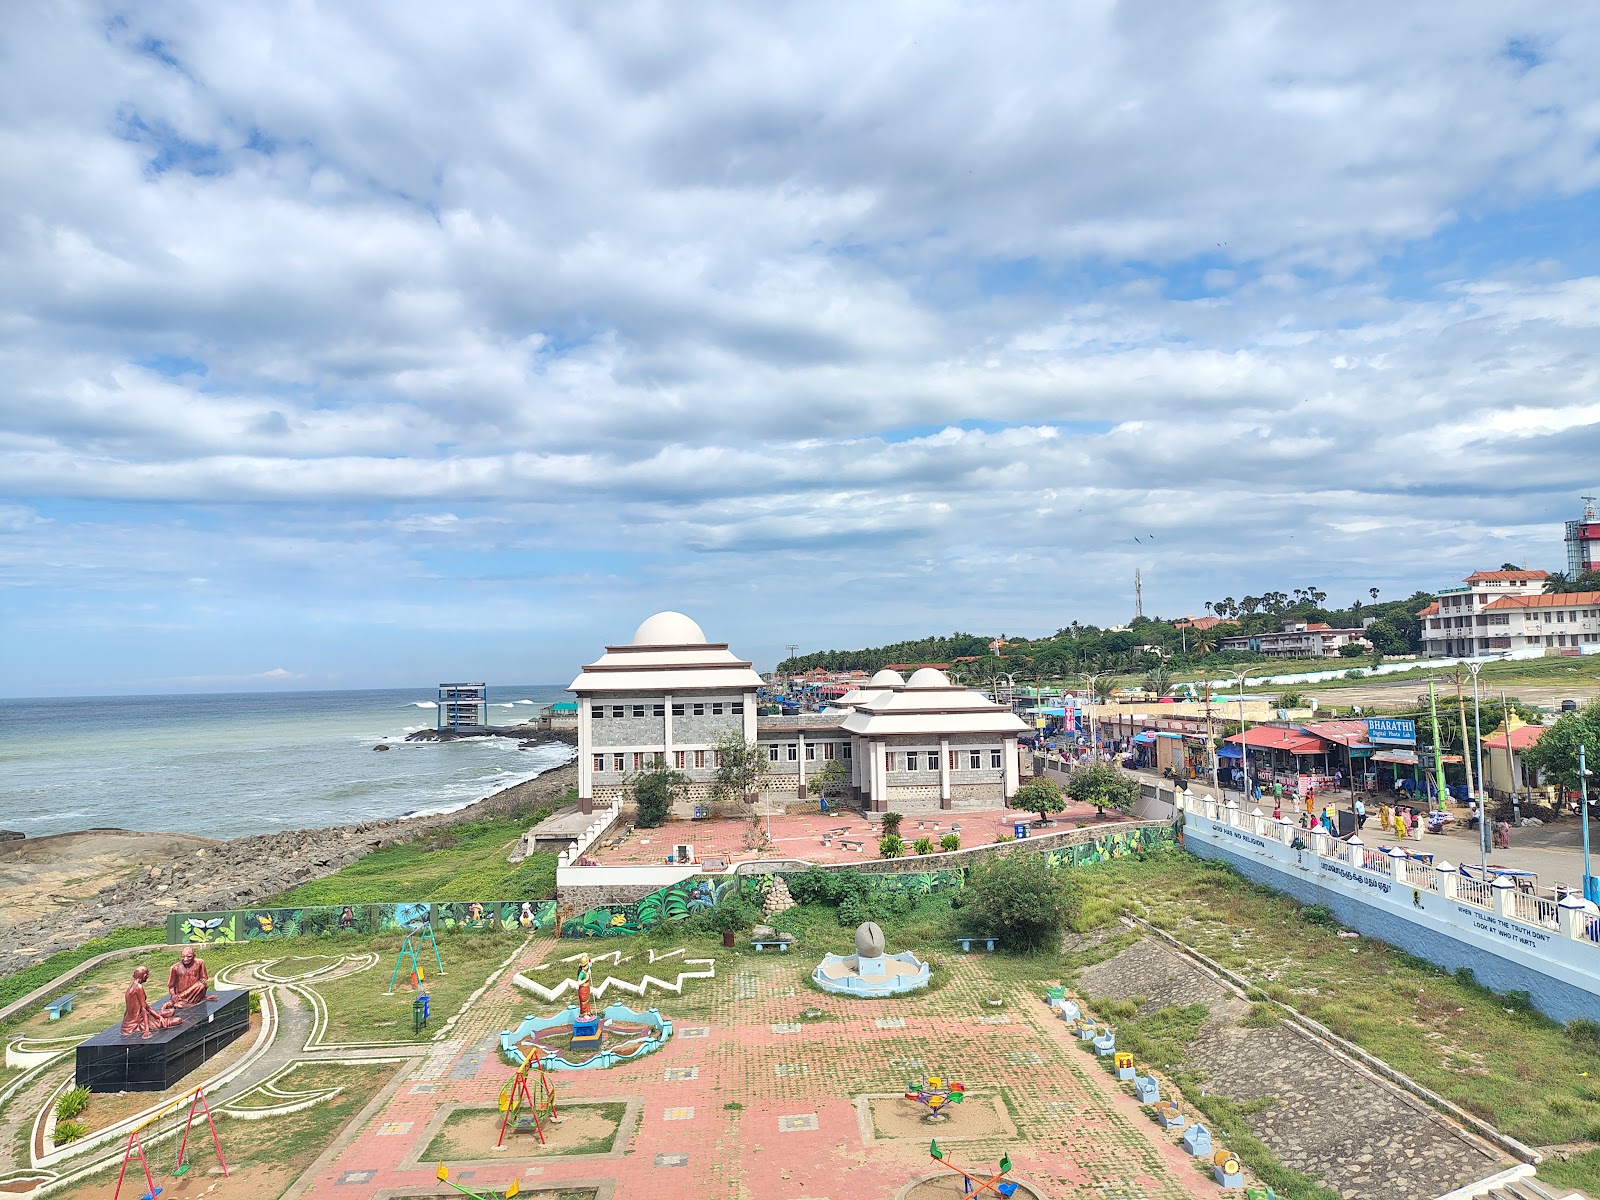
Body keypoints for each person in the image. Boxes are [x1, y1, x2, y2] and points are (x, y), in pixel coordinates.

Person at [121, 966, 180, 1039]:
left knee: (171, 1012)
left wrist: (158, 1016)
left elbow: (146, 1006)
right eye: (147, 975)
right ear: (144, 976)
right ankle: (155, 1022)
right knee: (177, 1020)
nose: (148, 976)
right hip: (136, 1024)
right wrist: (147, 1030)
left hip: (128, 1022)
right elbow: (143, 1009)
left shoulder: (131, 987)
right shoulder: (139, 987)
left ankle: (158, 1017)